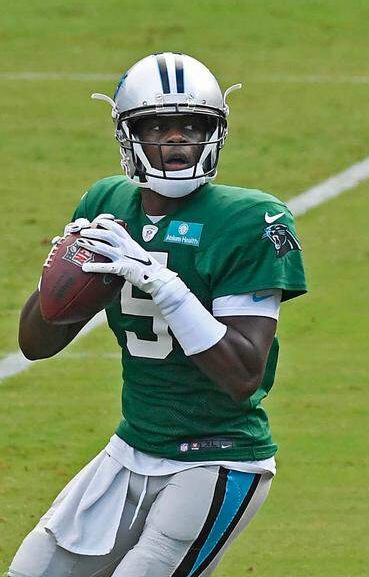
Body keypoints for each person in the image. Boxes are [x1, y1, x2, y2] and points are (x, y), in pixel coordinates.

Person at [9, 52, 307, 577]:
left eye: (191, 127)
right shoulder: (106, 202)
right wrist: (62, 274)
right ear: (129, 137)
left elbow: (243, 377)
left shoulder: (249, 219)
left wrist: (160, 282)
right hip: (132, 447)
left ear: (214, 134)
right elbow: (38, 343)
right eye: (157, 128)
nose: (175, 141)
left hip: (217, 456)